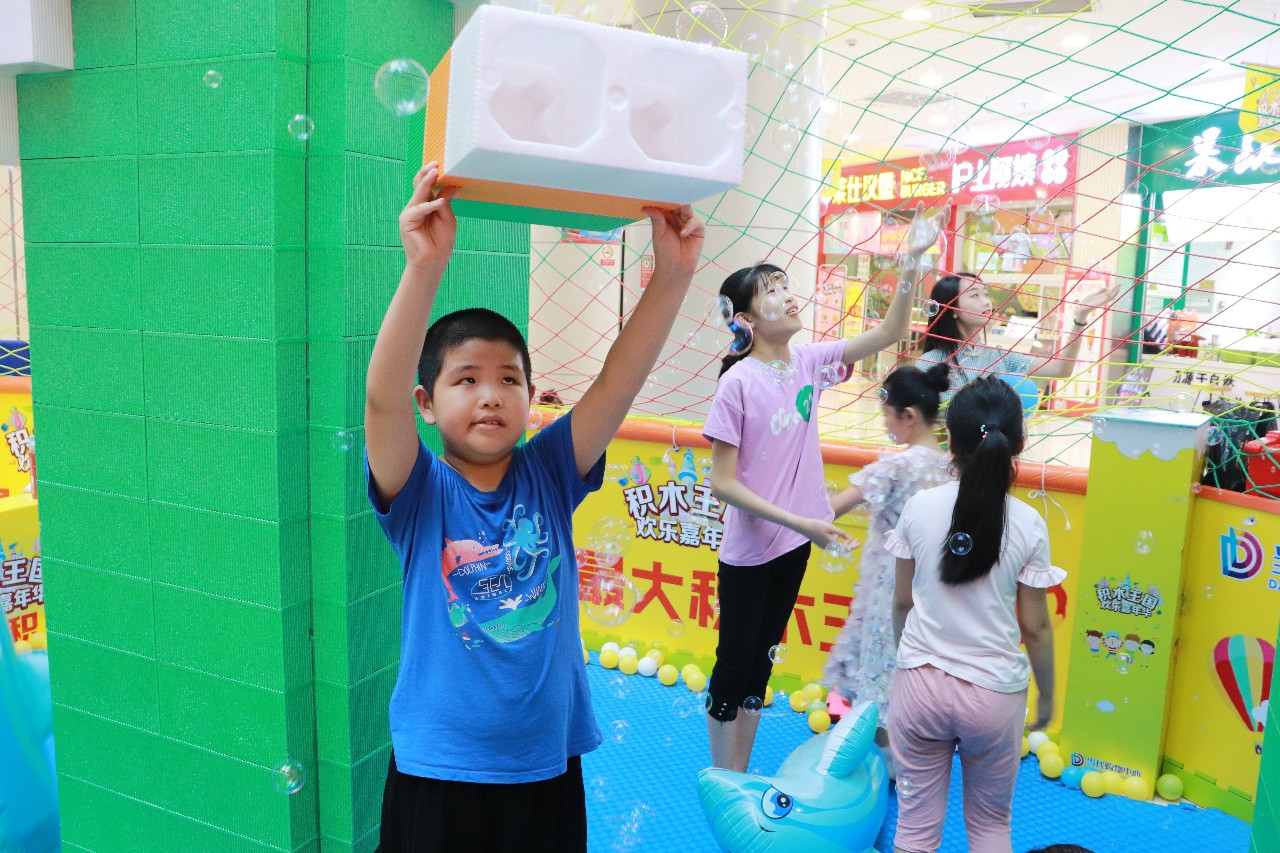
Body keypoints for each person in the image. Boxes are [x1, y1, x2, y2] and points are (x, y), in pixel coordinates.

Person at [364, 161, 705, 852]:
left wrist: (672, 276)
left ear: (530, 395)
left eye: (508, 379)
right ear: (428, 405)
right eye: (465, 379)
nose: (489, 394)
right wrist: (423, 268)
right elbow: (380, 398)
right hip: (439, 773)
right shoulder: (420, 491)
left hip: (544, 765)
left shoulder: (549, 471)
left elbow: (616, 382)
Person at [702, 201, 951, 773]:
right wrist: (802, 521)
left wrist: (910, 261)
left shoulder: (809, 362)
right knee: (733, 664)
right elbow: (722, 483)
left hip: (793, 545)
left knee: (760, 666)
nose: (789, 295)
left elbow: (891, 332)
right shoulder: (737, 383)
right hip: (753, 551)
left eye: (788, 285)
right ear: (743, 319)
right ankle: (725, 779)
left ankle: (739, 775)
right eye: (772, 290)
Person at [886, 376, 1061, 853]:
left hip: (920, 686)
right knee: (989, 827)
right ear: (1017, 443)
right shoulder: (1029, 523)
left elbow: (902, 603)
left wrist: (908, 661)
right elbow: (1036, 629)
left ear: (950, 441)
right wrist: (1047, 697)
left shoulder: (920, 508)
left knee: (915, 831)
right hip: (993, 695)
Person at [823, 362, 954, 777]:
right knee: (912, 675)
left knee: (877, 675)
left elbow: (833, 509)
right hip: (933, 596)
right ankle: (911, 761)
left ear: (908, 415)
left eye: (886, 412)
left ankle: (884, 768)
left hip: (888, 594)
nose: (884, 422)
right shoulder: (952, 467)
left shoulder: (897, 467)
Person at [917, 272, 1121, 404]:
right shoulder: (930, 363)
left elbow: (1061, 369)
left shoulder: (1000, 357)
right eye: (974, 295)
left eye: (985, 294)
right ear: (952, 310)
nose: (986, 302)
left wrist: (1080, 317)